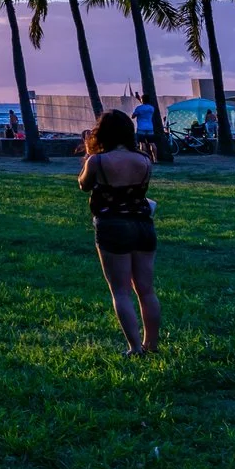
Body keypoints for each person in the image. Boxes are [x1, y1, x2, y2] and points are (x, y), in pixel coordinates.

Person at [78, 109, 159, 356]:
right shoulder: (144, 160)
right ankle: (152, 345)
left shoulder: (98, 161)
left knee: (121, 291)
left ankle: (135, 347)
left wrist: (89, 155)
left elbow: (83, 185)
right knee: (146, 290)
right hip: (143, 226)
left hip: (113, 226)